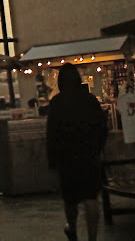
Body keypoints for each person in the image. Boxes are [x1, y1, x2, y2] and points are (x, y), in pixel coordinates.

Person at [47, 63, 108, 241]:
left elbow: (52, 134)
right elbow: (102, 128)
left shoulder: (56, 103)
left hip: (66, 158)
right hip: (89, 156)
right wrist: (97, 149)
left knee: (70, 199)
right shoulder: (90, 100)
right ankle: (92, 237)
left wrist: (53, 162)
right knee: (91, 198)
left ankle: (72, 228)